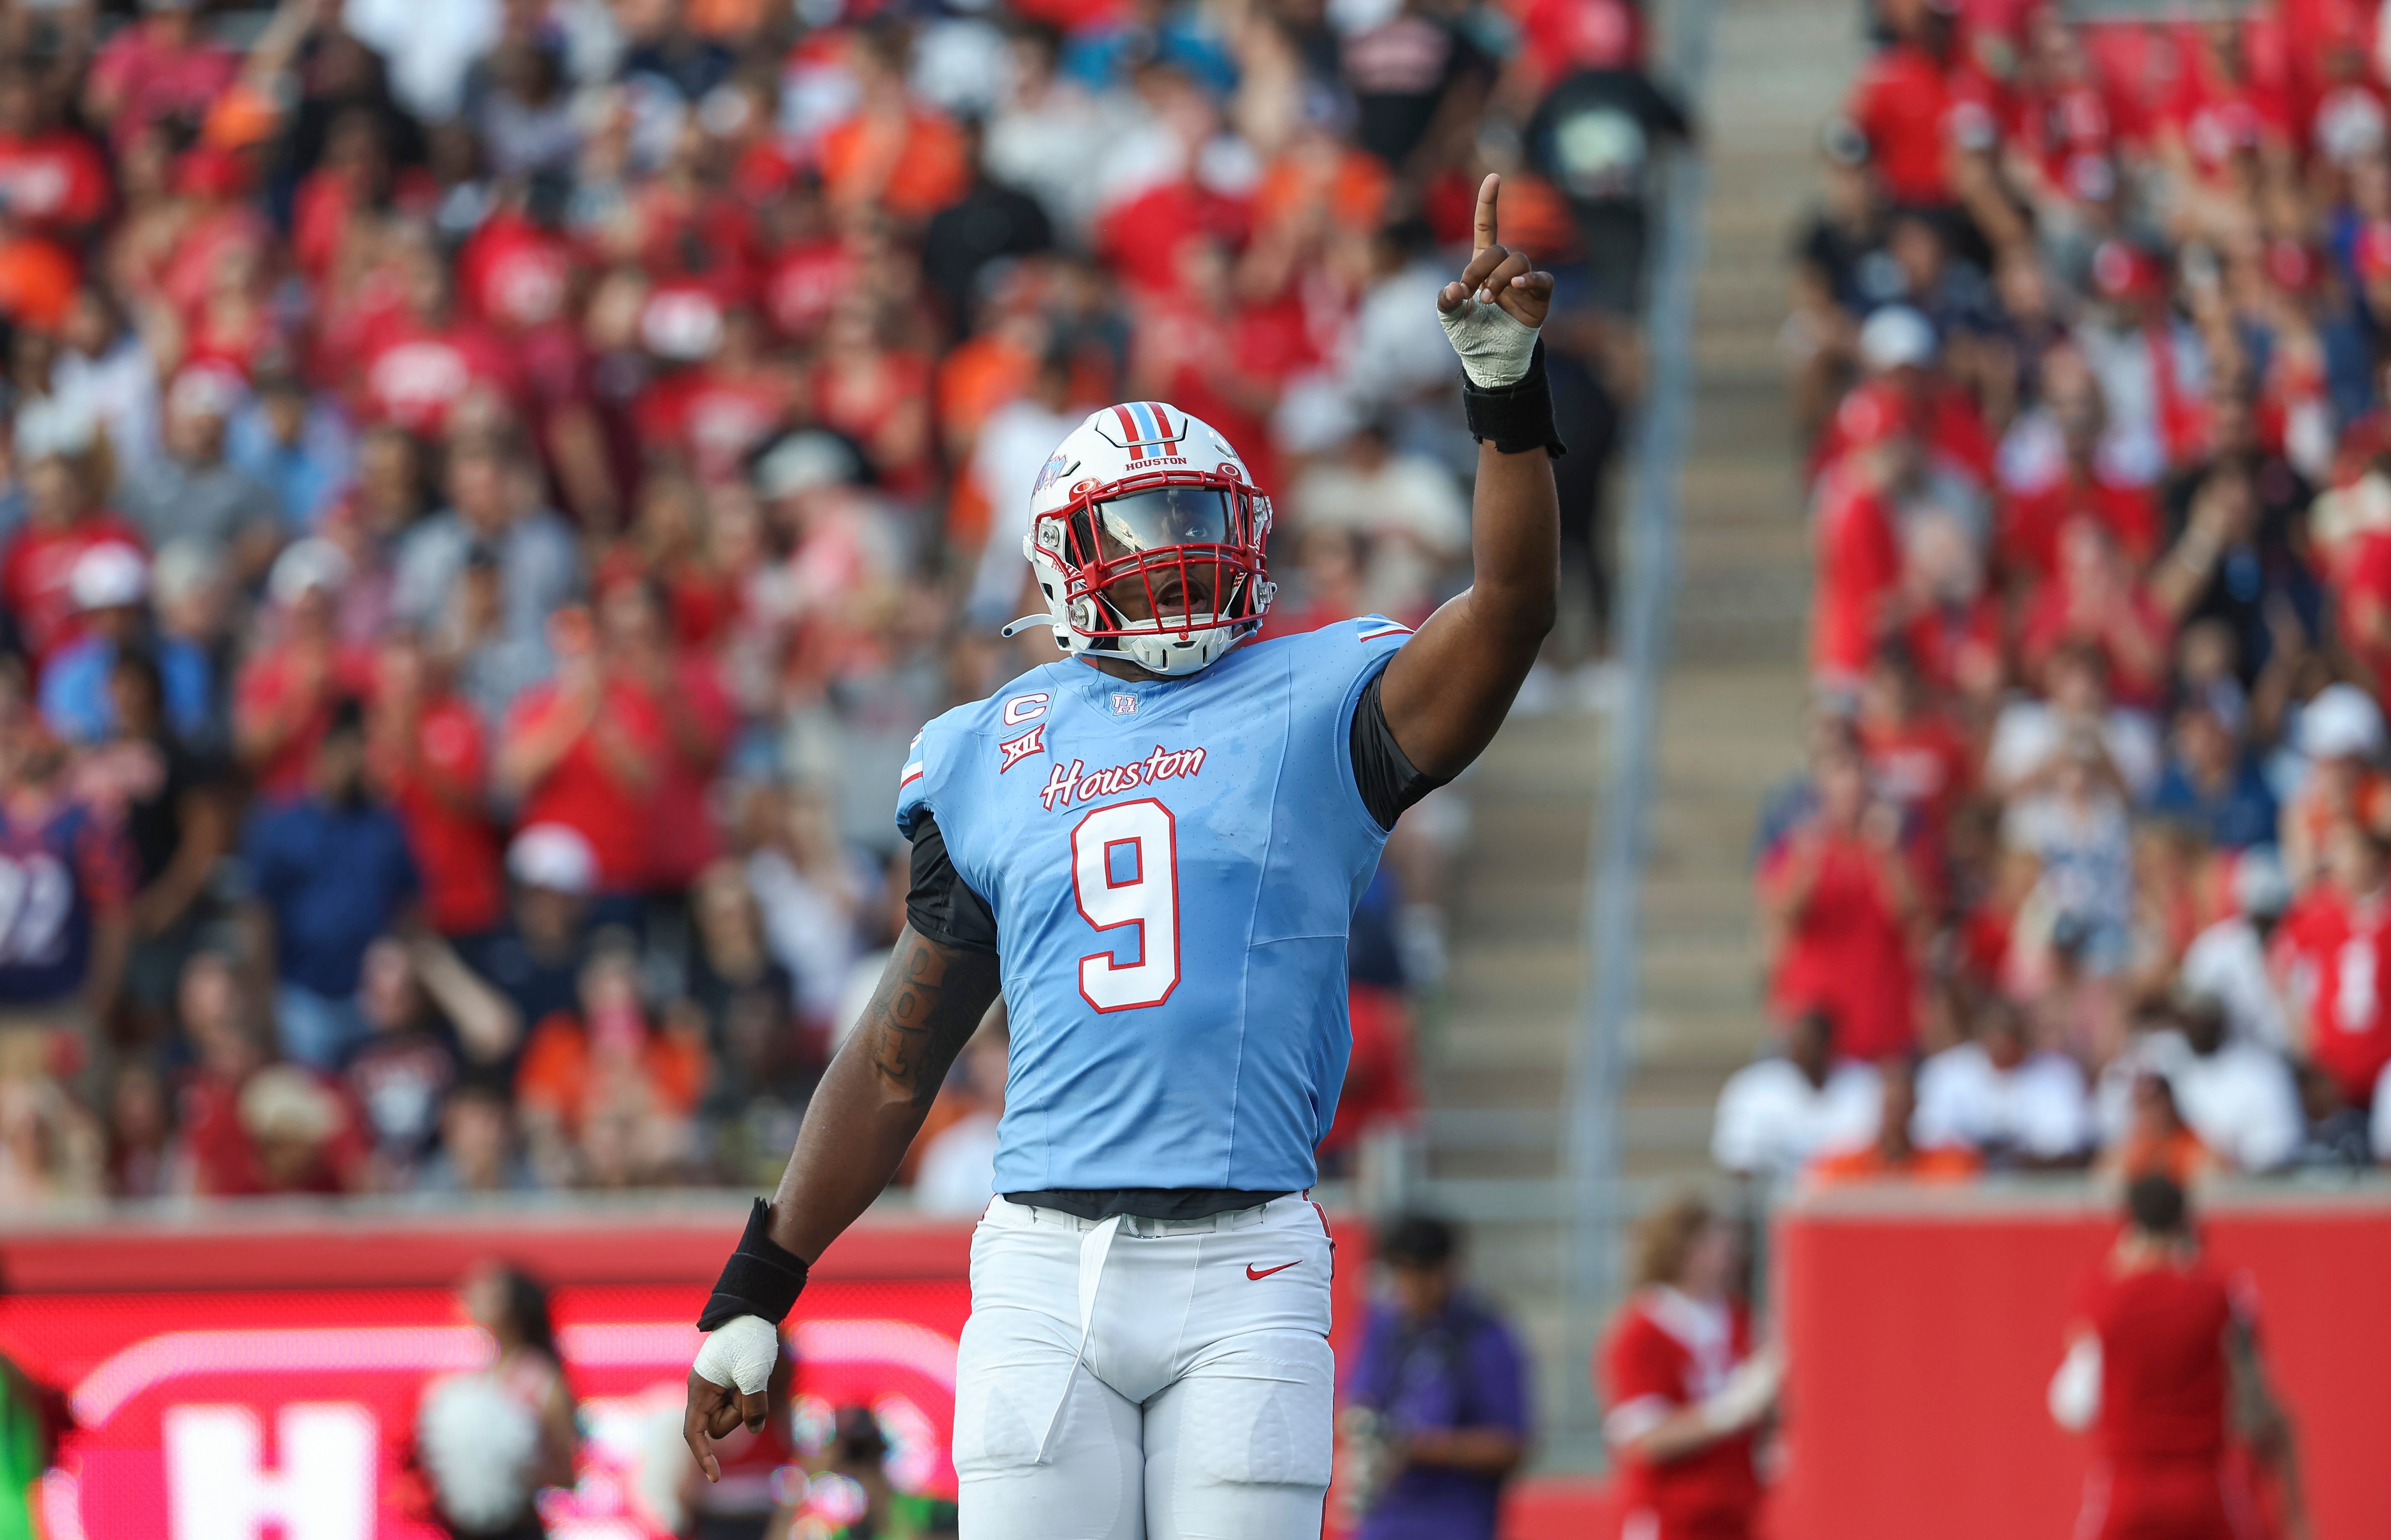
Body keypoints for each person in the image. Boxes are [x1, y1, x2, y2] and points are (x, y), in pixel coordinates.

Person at [686, 177, 1564, 1540]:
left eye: (1196, 527)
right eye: (1139, 535)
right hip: (1041, 1256)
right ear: (1058, 565)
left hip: (1249, 1256)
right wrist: (763, 1272)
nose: (1173, 565)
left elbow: (1511, 608)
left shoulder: (1318, 694)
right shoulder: (993, 744)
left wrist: (1504, 401)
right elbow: (901, 1046)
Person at [2048, 1174, 2308, 1540]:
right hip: (2204, 1489)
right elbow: (2256, 1411)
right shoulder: (2220, 1294)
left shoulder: (2100, 1297)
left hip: (2125, 1489)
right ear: (2186, 1222)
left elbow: (2072, 1408)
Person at [240, 697, 422, 1069]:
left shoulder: (385, 826)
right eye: (340, 751)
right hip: (301, 996)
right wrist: (263, 1000)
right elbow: (259, 916)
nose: (349, 762)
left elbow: (410, 908)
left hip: (370, 999)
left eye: (357, 750)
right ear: (320, 755)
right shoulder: (281, 824)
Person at [1339, 1216, 1530, 1540]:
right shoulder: (1385, 1326)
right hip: (1384, 1519)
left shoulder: (1485, 1336)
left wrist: (1416, 1448)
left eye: (1418, 1274)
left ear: (1447, 1270)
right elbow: (1355, 1403)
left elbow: (1509, 1445)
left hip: (1455, 1520)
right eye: (1401, 1274)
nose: (1409, 1287)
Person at [1600, 1195, 1777, 1540]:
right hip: (1672, 1516)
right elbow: (1647, 1440)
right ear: (1680, 1249)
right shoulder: (1641, 1330)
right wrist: (1732, 1410)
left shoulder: (1742, 1319)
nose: (1729, 1251)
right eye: (1713, 1240)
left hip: (1738, 1513)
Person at [415, 1265, 580, 1540]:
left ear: (514, 1309)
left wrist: (512, 1469)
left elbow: (568, 1473)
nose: (471, 1298)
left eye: (489, 1293)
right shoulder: (463, 1380)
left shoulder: (539, 1381)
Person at [1709, 1009, 1882, 1181]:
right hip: (1774, 1195)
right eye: (1801, 1042)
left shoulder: (1862, 1084)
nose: (1807, 1050)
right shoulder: (1755, 1088)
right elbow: (1738, 1160)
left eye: (1814, 1042)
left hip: (1844, 1191)